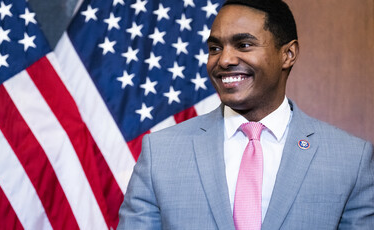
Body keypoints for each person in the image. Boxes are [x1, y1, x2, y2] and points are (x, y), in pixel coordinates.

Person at [117, 0, 374, 229]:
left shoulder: (352, 159)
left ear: (288, 54)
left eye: (244, 44)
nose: (225, 59)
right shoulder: (161, 152)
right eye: (215, 48)